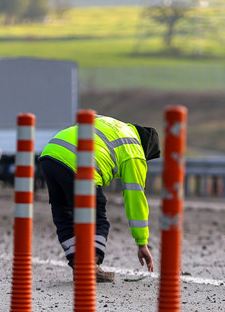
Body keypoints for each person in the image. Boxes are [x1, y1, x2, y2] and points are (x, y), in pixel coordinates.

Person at [38, 115, 160, 283]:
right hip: (78, 165)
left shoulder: (113, 124)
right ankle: (89, 266)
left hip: (50, 154)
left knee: (64, 214)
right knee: (97, 218)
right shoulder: (135, 151)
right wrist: (142, 242)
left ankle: (79, 265)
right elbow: (135, 198)